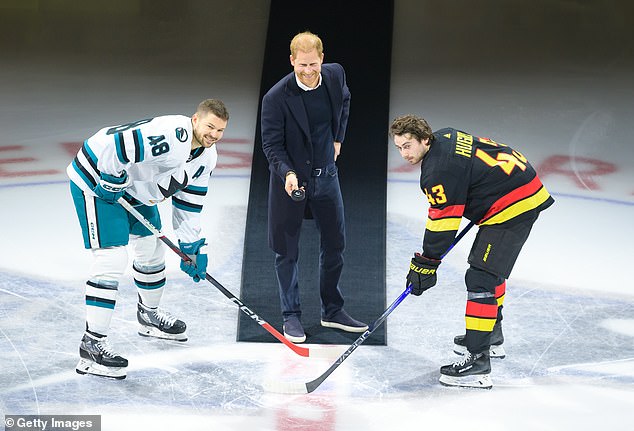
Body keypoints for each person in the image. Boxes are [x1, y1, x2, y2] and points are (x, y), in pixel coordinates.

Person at [67, 99, 229, 379]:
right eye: (210, 126)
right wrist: (109, 178)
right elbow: (120, 145)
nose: (213, 135)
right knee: (112, 257)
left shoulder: (206, 158)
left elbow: (188, 205)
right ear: (195, 120)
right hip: (97, 180)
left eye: (220, 130)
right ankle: (91, 345)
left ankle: (148, 314)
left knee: (153, 250)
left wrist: (191, 247)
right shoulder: (172, 135)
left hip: (133, 188)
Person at [390, 115, 554, 389]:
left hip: (515, 205)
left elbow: (443, 223)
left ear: (424, 139)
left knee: (481, 278)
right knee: (488, 271)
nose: (403, 153)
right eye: (398, 147)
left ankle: (478, 362)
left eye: (408, 146)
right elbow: (471, 173)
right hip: (518, 187)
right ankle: (489, 336)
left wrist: (426, 263)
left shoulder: (437, 173)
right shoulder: (446, 135)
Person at [260, 31, 368, 343]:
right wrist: (288, 173)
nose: (308, 70)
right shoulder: (275, 98)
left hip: (327, 177)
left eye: (313, 64)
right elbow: (271, 147)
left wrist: (338, 138)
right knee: (286, 251)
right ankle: (291, 316)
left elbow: (345, 100)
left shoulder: (335, 75)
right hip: (290, 180)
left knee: (335, 244)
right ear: (292, 60)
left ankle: (332, 310)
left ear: (322, 58)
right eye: (302, 64)